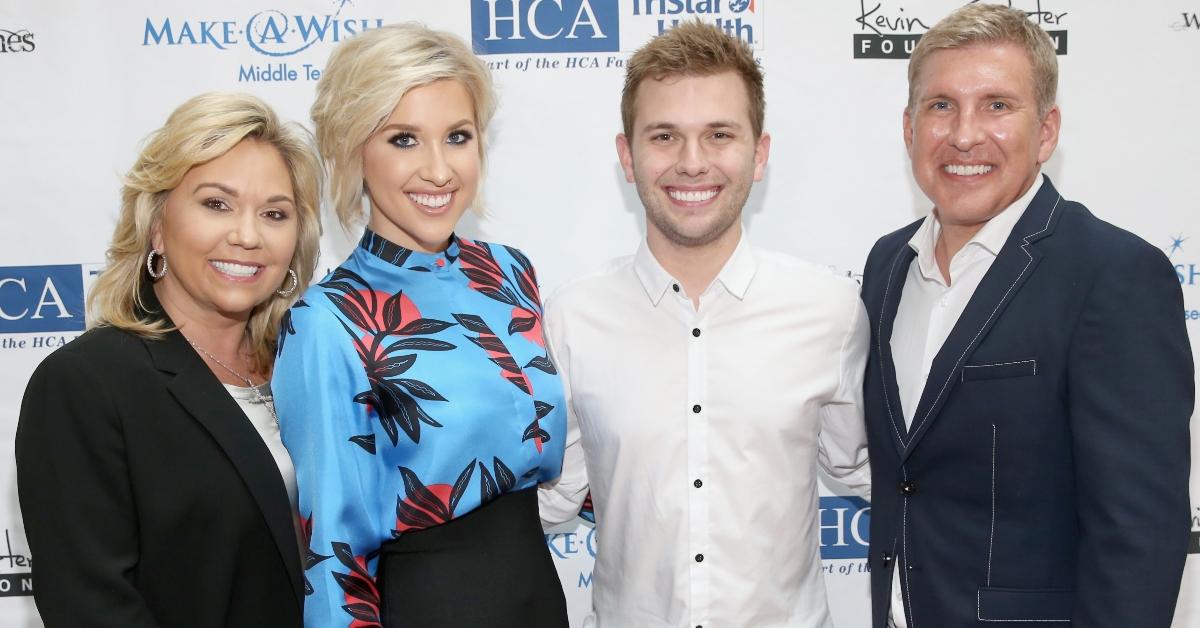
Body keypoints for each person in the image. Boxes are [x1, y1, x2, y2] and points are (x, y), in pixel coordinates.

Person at [859, 5, 1194, 627]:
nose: (963, 134)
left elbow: (1140, 535)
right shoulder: (887, 265)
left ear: (1046, 130)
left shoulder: (1112, 274)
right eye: (940, 106)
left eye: (996, 105)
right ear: (909, 128)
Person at [538, 21, 871, 627]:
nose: (692, 163)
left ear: (759, 153)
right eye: (664, 136)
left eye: (719, 134)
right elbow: (551, 496)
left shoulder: (831, 310)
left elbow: (870, 472)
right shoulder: (571, 317)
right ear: (627, 156)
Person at [273, 23, 568, 628]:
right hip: (431, 606)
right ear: (354, 149)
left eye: (457, 136)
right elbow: (333, 548)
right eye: (404, 139)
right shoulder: (328, 321)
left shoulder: (509, 272)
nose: (439, 170)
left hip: (537, 592)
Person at [15, 92, 322, 628]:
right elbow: (92, 606)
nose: (247, 235)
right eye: (216, 204)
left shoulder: (309, 368)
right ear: (157, 223)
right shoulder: (87, 385)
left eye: (274, 213)